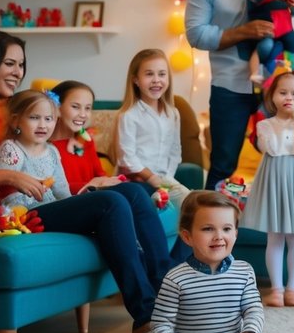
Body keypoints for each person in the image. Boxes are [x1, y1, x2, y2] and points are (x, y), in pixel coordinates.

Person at [0, 26, 167, 333]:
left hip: (39, 199)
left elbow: (45, 176)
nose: (18, 72)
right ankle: (144, 318)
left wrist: (89, 186)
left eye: (21, 64)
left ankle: (165, 298)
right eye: (9, 63)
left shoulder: (9, 107)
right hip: (9, 213)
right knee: (112, 204)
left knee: (133, 191)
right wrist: (3, 177)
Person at [185, 0, 292, 190]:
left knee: (282, 157)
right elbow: (196, 34)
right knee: (223, 163)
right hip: (230, 87)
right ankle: (208, 228)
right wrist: (244, 31)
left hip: (271, 86)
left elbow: (286, 18)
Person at [51, 79, 191, 274]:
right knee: (132, 193)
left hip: (99, 193)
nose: (83, 114)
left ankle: (169, 269)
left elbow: (99, 173)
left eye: (88, 108)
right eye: (75, 107)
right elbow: (56, 187)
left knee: (184, 203)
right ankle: (166, 272)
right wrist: (95, 183)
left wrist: (109, 180)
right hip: (77, 201)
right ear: (56, 108)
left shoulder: (85, 141)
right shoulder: (48, 147)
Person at [153, 191, 284, 333]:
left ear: (235, 234)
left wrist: (250, 332)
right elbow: (160, 326)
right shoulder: (176, 279)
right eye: (207, 229)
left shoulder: (244, 271)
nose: (219, 236)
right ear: (187, 236)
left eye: (226, 229)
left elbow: (253, 309)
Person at [240, 69, 294, 307]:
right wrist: (285, 125)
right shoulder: (265, 125)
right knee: (275, 238)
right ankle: (276, 288)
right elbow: (272, 148)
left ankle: (292, 288)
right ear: (273, 96)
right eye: (282, 92)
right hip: (274, 180)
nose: (288, 97)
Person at [114, 49, 190, 211]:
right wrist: (152, 178)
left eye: (162, 74)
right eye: (149, 74)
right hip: (137, 181)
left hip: (165, 179)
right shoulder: (128, 115)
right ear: (136, 80)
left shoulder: (173, 113)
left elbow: (175, 151)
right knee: (155, 202)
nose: (156, 80)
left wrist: (167, 179)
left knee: (188, 201)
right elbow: (127, 157)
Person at [0, 90, 71, 210]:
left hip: (51, 208)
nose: (42, 125)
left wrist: (72, 206)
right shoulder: (11, 148)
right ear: (15, 121)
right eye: (34, 118)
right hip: (23, 212)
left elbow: (61, 188)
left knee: (104, 196)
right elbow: (5, 190)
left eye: (48, 119)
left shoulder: (52, 151)